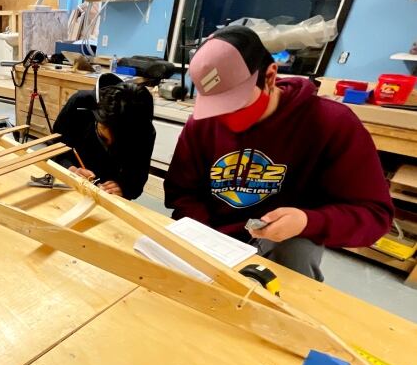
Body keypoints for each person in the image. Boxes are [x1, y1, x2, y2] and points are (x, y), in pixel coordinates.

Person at [164, 25, 393, 280]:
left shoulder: (331, 123)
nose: (226, 116)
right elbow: (181, 193)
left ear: (270, 76)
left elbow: (374, 214)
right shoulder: (202, 123)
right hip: (215, 236)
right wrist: (204, 237)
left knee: (295, 252)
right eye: (217, 105)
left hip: (282, 241)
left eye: (237, 102)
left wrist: (308, 221)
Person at [52, 73, 156, 200]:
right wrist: (71, 169)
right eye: (103, 138)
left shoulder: (144, 131)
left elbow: (137, 179)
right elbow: (54, 148)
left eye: (119, 144)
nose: (109, 145)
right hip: (68, 186)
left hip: (108, 197)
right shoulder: (79, 104)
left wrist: (123, 188)